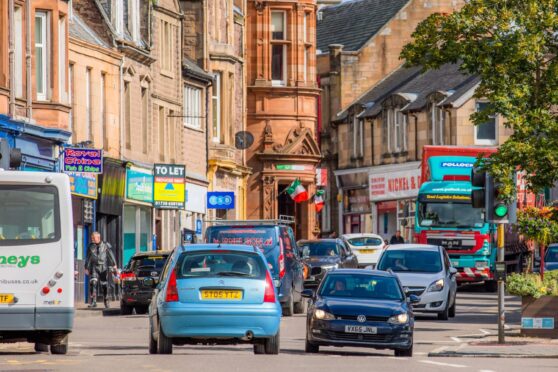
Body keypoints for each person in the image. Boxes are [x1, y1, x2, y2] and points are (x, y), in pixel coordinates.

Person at [85, 232, 117, 308]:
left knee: (104, 285)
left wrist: (114, 264)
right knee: (93, 283)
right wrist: (86, 267)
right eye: (91, 238)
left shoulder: (106, 245)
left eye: (94, 238)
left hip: (103, 267)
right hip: (94, 267)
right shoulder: (90, 246)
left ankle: (106, 301)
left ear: (98, 238)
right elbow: (88, 257)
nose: (92, 239)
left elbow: (110, 255)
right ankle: (93, 302)